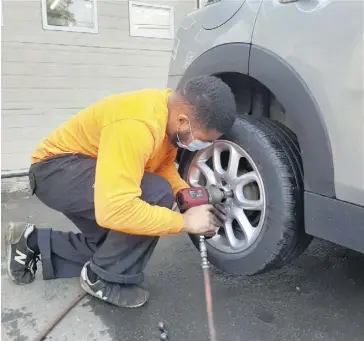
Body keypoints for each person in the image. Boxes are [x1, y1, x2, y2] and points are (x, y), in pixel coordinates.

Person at [6, 75, 237, 308]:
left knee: (114, 249)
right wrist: (185, 222)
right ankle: (101, 279)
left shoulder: (167, 117)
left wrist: (187, 197)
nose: (203, 146)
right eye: (203, 140)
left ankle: (31, 242)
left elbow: (163, 166)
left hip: (80, 170)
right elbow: (115, 210)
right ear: (183, 122)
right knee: (155, 196)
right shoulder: (136, 126)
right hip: (54, 172)